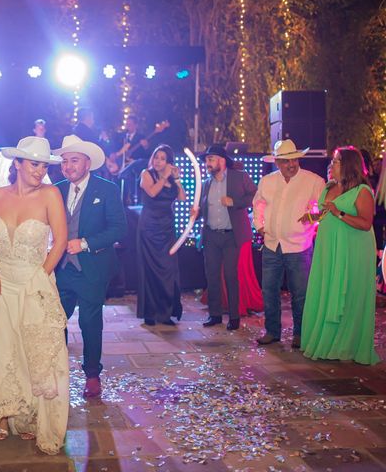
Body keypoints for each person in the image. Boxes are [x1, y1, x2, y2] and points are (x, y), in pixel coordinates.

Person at [0, 137, 68, 455]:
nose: (40, 170)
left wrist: (40, 277)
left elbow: (60, 241)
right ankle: (3, 413)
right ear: (17, 164)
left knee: (35, 353)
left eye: (44, 165)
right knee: (3, 349)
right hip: (2, 283)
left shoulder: (50, 194)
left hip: (35, 281)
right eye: (34, 164)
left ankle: (30, 417)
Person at [53, 135, 127, 398]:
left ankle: (92, 375)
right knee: (54, 322)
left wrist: (84, 243)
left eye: (74, 161)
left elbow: (119, 228)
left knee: (90, 323)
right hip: (60, 268)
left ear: (87, 163)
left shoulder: (106, 189)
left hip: (92, 268)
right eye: (64, 162)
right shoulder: (56, 189)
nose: (68, 167)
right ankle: (56, 371)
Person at [301, 146, 380, 365]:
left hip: (353, 249)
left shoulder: (363, 191)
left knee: (348, 292)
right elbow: (326, 213)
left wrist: (340, 213)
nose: (331, 165)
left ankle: (345, 344)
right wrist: (311, 216)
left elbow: (365, 224)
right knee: (328, 289)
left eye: (335, 161)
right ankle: (325, 340)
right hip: (329, 249)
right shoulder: (329, 187)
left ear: (348, 165)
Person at [253, 140, 325, 348]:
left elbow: (325, 208)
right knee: (269, 290)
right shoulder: (267, 181)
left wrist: (311, 220)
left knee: (300, 293)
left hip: (299, 246)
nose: (291, 164)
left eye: (294, 159)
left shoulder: (313, 181)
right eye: (286, 161)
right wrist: (259, 226)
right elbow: (258, 203)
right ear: (277, 162)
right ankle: (272, 331)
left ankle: (300, 334)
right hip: (272, 245)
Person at [193, 145, 257, 331]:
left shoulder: (240, 176)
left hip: (232, 236)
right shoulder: (206, 183)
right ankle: (215, 315)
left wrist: (235, 202)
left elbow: (255, 195)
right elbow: (203, 209)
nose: (207, 163)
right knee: (211, 276)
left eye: (210, 159)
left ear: (221, 160)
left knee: (231, 276)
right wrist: (195, 214)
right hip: (212, 236)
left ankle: (234, 317)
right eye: (206, 160)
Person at [137, 144, 187, 326]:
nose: (158, 161)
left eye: (163, 158)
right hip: (149, 228)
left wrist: (178, 178)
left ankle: (165, 313)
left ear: (168, 162)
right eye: (156, 157)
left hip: (167, 229)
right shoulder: (146, 174)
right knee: (150, 270)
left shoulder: (171, 179)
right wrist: (164, 176)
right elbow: (151, 192)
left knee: (168, 270)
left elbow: (182, 198)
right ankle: (149, 313)